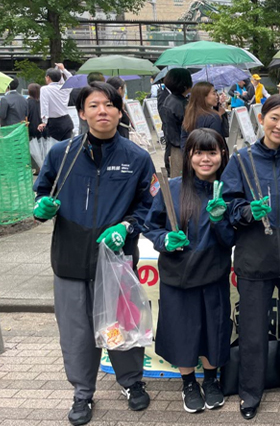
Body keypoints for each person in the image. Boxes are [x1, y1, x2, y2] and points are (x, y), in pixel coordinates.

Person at [32, 82, 155, 426]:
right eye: (94, 105)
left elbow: (149, 206)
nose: (103, 111)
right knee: (76, 333)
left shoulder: (137, 158)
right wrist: (41, 207)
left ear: (119, 111)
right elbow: (42, 190)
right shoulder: (62, 154)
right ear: (82, 113)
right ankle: (83, 392)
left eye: (110, 105)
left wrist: (127, 228)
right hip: (69, 259)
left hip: (116, 261)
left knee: (122, 326)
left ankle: (131, 382)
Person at [221, 95, 280, 420]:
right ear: (261, 118)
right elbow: (228, 204)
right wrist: (246, 211)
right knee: (253, 332)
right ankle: (250, 393)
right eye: (274, 118)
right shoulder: (241, 160)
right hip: (254, 259)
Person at [143, 128, 233, 413]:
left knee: (213, 330)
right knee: (183, 331)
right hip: (178, 275)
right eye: (198, 152)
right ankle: (189, 383)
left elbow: (231, 239)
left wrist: (220, 221)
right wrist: (165, 240)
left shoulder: (227, 191)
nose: (205, 159)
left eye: (212, 152)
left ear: (222, 155)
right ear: (188, 156)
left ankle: (211, 379)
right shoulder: (171, 188)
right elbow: (151, 227)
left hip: (214, 273)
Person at [159, 68, 193, 177]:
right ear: (185, 85)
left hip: (172, 146)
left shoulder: (169, 99)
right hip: (180, 149)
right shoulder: (181, 104)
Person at [180, 82, 229, 150]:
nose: (217, 96)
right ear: (203, 97)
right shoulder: (213, 117)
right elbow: (217, 141)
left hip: (193, 153)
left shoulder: (190, 114)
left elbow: (184, 139)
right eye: (213, 93)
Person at [39, 63, 74, 141]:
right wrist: (63, 69)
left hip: (54, 122)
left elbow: (44, 105)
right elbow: (71, 79)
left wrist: (44, 122)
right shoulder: (65, 88)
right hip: (66, 120)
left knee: (54, 146)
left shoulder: (45, 89)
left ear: (48, 78)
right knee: (67, 146)